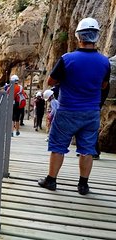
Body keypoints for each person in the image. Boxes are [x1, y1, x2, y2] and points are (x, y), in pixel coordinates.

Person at [38, 17, 110, 195]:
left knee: (58, 146)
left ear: (78, 36)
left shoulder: (67, 59)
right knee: (87, 149)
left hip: (68, 110)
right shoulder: (104, 62)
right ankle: (83, 185)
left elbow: (51, 80)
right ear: (96, 37)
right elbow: (103, 85)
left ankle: (51, 180)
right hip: (91, 112)